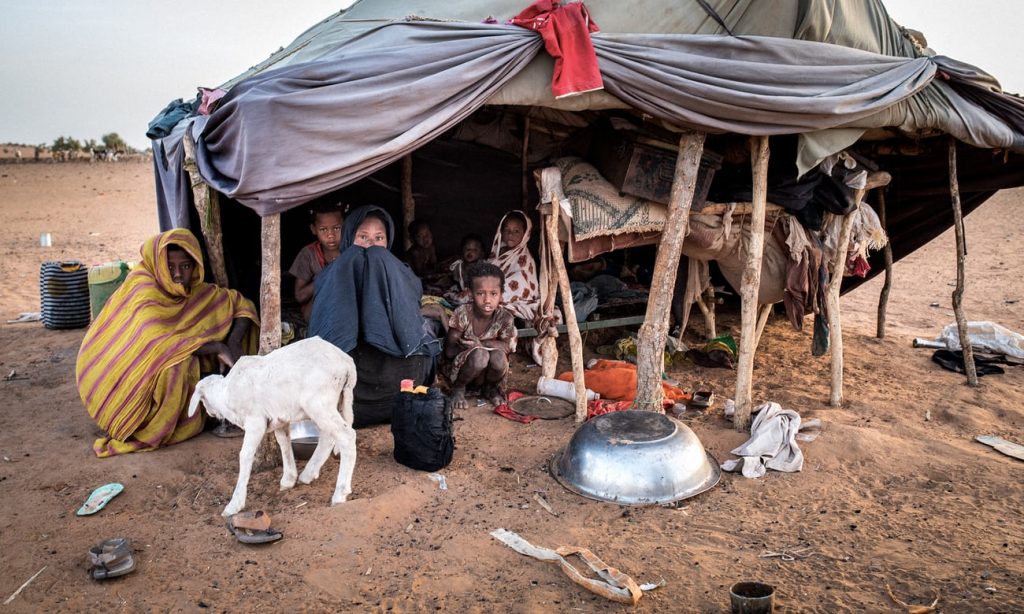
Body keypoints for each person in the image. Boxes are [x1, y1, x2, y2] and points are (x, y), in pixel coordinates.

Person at [76, 229, 259, 457]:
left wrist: (233, 341)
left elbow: (241, 304)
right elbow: (156, 341)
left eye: (185, 266)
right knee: (177, 364)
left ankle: (212, 411)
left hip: (152, 363)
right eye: (170, 267)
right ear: (158, 265)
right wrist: (216, 348)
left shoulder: (193, 291)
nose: (178, 274)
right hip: (118, 379)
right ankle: (154, 426)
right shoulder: (143, 288)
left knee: (203, 347)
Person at [309, 205, 440, 426]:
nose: (371, 245)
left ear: (388, 241)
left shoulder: (401, 273)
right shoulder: (333, 275)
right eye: (363, 237)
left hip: (396, 386)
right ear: (349, 238)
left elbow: (411, 331)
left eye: (379, 238)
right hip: (351, 394)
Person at [443, 262, 517, 409]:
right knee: (480, 356)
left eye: (493, 294)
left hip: (486, 374)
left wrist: (480, 343)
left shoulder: (505, 317)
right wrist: (471, 350)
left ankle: (489, 388)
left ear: (501, 294)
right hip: (460, 371)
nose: (487, 300)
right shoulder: (462, 313)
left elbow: (507, 347)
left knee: (499, 357)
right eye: (480, 293)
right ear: (470, 293)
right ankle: (459, 389)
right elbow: (449, 352)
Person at [289, 203, 344, 322]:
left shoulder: (351, 251)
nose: (330, 235)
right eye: (323, 229)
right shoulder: (308, 254)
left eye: (336, 228)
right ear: (314, 230)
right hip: (317, 313)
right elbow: (300, 296)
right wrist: (325, 276)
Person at [445, 233, 485, 305]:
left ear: (481, 253)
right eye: (467, 249)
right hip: (463, 291)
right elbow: (457, 282)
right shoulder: (458, 267)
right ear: (461, 250)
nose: (470, 252)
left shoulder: (482, 267)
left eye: (475, 250)